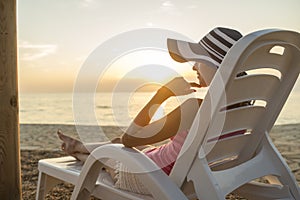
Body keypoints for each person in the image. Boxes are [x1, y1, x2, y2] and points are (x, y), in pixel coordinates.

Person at [58, 27, 243, 195]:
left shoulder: (195, 108)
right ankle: (76, 147)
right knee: (113, 144)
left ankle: (77, 152)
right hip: (195, 176)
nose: (194, 66)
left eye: (199, 61)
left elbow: (128, 139)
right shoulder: (246, 107)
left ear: (216, 66)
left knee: (109, 156)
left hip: (151, 178)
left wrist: (161, 95)